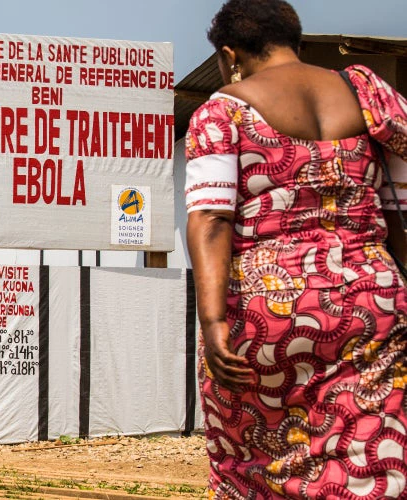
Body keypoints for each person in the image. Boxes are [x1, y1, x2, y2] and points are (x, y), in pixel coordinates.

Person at [185, 1, 407, 497]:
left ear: (228, 55)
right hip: (372, 297)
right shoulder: (370, 98)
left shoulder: (221, 111)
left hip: (269, 308)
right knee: (369, 444)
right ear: (295, 40)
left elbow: (211, 218)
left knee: (254, 457)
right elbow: (398, 210)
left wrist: (214, 320)